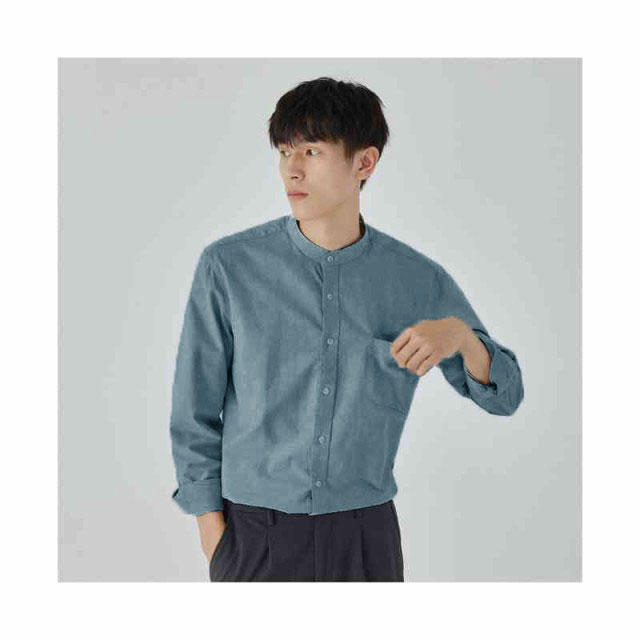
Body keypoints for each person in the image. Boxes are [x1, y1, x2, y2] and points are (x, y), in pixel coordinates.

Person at [169, 77, 524, 582]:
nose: (292, 169)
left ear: (365, 162)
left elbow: (505, 397)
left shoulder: (416, 280)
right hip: (253, 536)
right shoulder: (229, 267)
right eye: (285, 151)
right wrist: (215, 538)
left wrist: (462, 338)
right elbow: (194, 413)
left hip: (365, 538)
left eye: (311, 151)